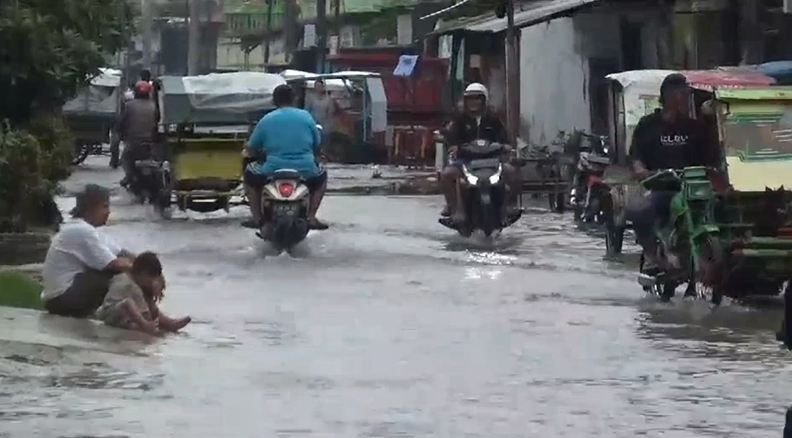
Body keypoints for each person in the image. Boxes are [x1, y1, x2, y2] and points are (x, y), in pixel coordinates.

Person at [626, 73, 718, 272]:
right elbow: (636, 156)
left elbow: (711, 158)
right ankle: (651, 253)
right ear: (667, 96)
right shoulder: (647, 125)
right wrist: (642, 171)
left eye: (687, 95)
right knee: (640, 209)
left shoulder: (696, 128)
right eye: (681, 95)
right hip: (662, 187)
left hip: (695, 189)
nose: (685, 99)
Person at [242, 84, 329, 230]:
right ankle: (312, 217)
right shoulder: (306, 117)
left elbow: (251, 147)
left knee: (249, 175)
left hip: (272, 169)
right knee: (322, 175)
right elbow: (317, 144)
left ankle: (257, 218)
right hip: (305, 169)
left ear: (274, 101)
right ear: (294, 99)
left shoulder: (266, 120)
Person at [41, 185, 135, 318]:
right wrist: (142, 271)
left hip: (62, 295)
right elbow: (114, 264)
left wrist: (152, 269)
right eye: (104, 207)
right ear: (90, 208)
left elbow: (122, 253)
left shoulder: (90, 230)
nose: (108, 212)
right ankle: (128, 316)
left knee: (128, 274)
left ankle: (141, 315)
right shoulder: (82, 230)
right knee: (119, 277)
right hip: (60, 298)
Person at [439, 82, 521, 223]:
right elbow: (451, 138)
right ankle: (453, 207)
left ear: (484, 100)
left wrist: (507, 146)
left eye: (477, 98)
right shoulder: (459, 120)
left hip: (492, 162)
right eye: (470, 99)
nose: (473, 102)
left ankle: (510, 205)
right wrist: (453, 146)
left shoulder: (493, 119)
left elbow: (504, 138)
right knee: (446, 175)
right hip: (465, 162)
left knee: (512, 172)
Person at [96, 252, 191, 335]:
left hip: (121, 316)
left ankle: (168, 323)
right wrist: (147, 322)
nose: (152, 282)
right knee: (128, 303)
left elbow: (145, 304)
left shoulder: (135, 282)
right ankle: (147, 325)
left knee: (145, 300)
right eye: (150, 279)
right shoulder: (127, 283)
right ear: (142, 273)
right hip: (110, 312)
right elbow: (135, 307)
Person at [118, 81, 159, 187]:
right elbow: (157, 122)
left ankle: (129, 176)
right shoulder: (153, 106)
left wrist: (121, 133)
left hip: (133, 141)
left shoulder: (129, 106)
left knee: (125, 158)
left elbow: (122, 122)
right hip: (150, 141)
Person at [305, 79, 339, 147]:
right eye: (317, 86)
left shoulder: (329, 99)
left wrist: (328, 124)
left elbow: (331, 113)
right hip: (313, 123)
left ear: (323, 87)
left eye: (320, 86)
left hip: (325, 125)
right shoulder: (310, 97)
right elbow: (307, 110)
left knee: (324, 144)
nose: (318, 88)